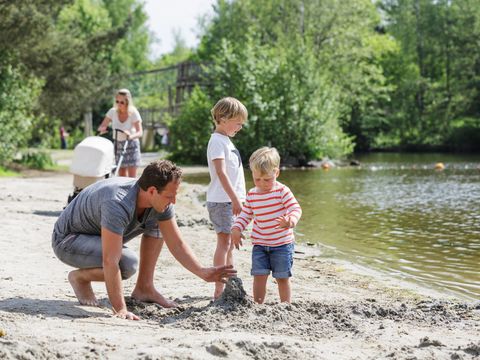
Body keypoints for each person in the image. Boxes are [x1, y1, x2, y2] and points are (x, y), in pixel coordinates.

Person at [52, 160, 237, 320]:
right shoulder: (117, 202)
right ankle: (80, 278)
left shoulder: (159, 201)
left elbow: (177, 243)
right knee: (127, 263)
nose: (173, 201)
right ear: (151, 190)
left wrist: (203, 273)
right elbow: (111, 260)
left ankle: (145, 287)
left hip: (98, 237)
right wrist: (121, 309)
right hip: (68, 241)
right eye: (169, 195)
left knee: (158, 222)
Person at [231, 147, 302, 304]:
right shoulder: (252, 194)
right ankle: (258, 304)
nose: (262, 184)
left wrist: (291, 220)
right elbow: (245, 215)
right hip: (260, 244)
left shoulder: (282, 191)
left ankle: (285, 305)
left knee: (282, 277)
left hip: (282, 244)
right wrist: (236, 228)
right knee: (259, 276)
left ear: (276, 173)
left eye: (267, 179)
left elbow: (295, 208)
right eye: (257, 179)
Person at [206, 97, 248, 299]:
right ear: (223, 118)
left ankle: (229, 281)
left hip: (230, 199)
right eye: (238, 122)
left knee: (230, 243)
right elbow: (221, 173)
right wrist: (235, 199)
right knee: (224, 243)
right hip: (223, 200)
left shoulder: (226, 140)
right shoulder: (216, 141)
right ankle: (219, 288)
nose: (240, 127)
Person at [97, 89, 143, 178]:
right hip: (118, 145)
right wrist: (102, 129)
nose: (119, 104)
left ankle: (132, 191)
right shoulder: (112, 112)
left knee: (131, 177)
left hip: (131, 145)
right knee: (121, 175)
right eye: (117, 101)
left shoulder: (133, 112)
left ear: (127, 102)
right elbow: (102, 126)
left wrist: (130, 136)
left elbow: (140, 132)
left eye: (122, 102)